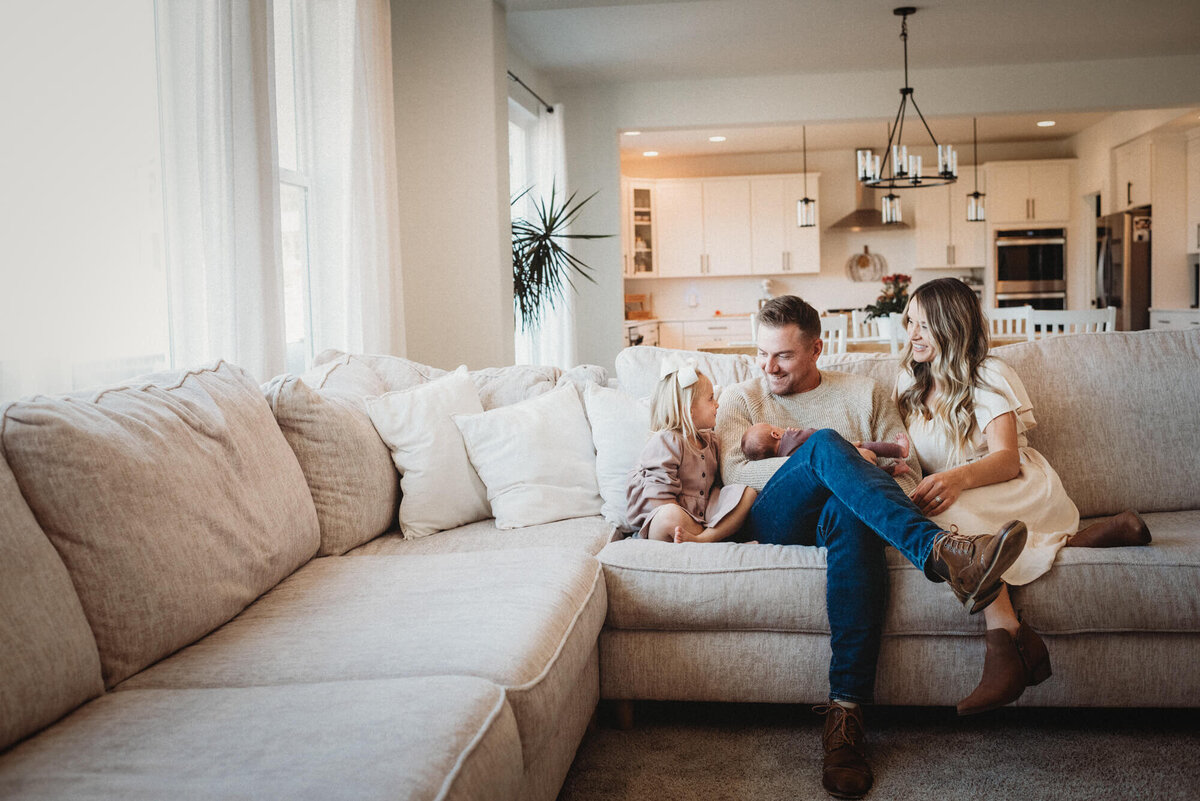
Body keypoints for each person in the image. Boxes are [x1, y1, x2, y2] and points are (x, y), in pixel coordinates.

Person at [717, 295, 1030, 800]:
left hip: (841, 519)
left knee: (849, 512)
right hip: (773, 513)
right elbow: (737, 474)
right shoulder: (742, 399)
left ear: (817, 349)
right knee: (825, 447)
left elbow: (909, 472)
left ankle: (846, 715)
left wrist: (852, 473)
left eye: (783, 356)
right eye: (761, 354)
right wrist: (843, 460)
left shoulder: (865, 393)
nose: (767, 367)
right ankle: (942, 554)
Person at [895, 277, 1151, 716]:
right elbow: (922, 458)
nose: (912, 334)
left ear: (952, 325)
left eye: (924, 324)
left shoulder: (988, 373)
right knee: (922, 510)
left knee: (947, 521)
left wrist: (954, 481)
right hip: (966, 493)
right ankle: (1099, 536)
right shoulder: (909, 381)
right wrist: (905, 468)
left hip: (1009, 487)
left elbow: (1007, 460)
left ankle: (1003, 640)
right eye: (909, 322)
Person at [626, 357, 757, 544]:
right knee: (669, 516)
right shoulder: (667, 440)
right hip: (669, 517)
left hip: (703, 516)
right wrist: (688, 520)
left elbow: (717, 483)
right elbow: (658, 498)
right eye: (711, 398)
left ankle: (704, 540)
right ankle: (716, 542)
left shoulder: (710, 440)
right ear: (689, 410)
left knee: (747, 494)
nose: (717, 404)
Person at [741, 422, 910, 476]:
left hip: (840, 469)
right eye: (775, 427)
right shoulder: (791, 436)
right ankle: (900, 450)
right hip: (838, 450)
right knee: (867, 446)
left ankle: (895, 469)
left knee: (868, 472)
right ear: (775, 434)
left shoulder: (783, 462)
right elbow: (817, 436)